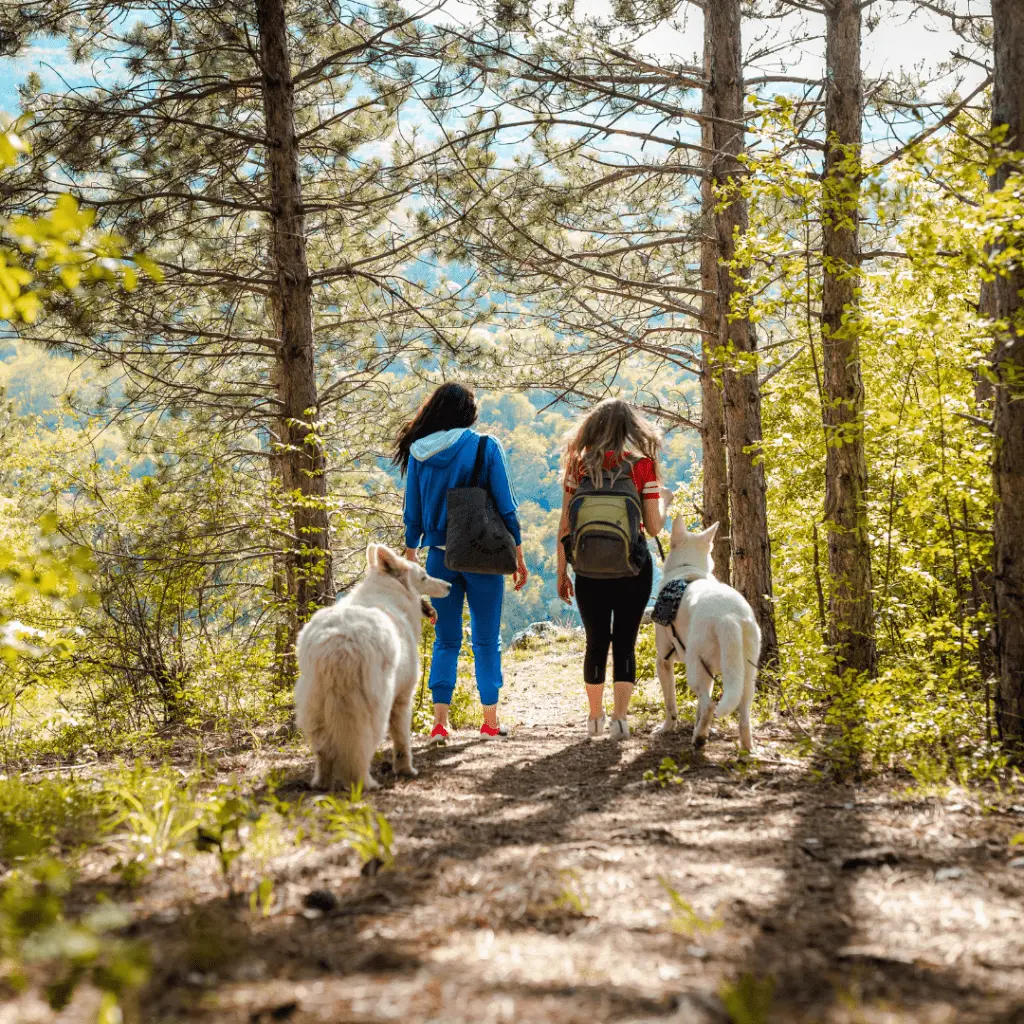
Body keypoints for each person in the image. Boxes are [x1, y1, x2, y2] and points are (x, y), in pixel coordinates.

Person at [394, 382, 528, 745]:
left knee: (446, 640)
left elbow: (413, 515)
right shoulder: (485, 446)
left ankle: (440, 724)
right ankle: (489, 720)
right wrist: (518, 551)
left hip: (439, 557)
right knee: (486, 640)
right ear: (467, 412)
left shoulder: (419, 453)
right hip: (483, 555)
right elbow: (506, 505)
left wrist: (411, 561)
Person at [556, 398, 672, 741]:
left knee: (595, 641)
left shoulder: (578, 466)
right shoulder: (642, 466)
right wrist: (663, 500)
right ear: (629, 429)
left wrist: (563, 572)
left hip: (588, 570)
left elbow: (565, 524)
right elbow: (652, 528)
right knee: (625, 642)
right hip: (633, 568)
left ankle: (594, 717)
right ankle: (620, 720)